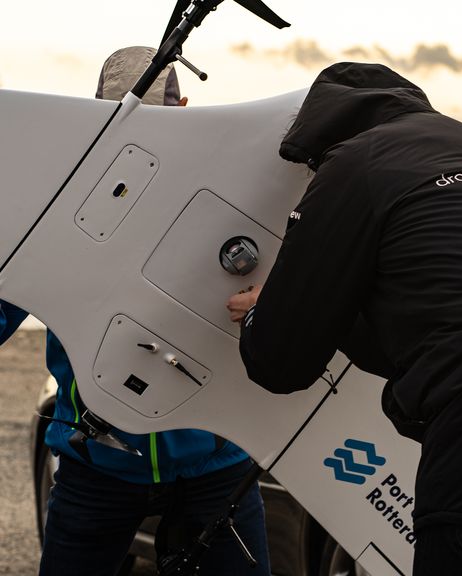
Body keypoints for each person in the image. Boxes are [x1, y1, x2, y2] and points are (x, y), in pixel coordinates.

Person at [227, 62, 462, 575]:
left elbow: (281, 362)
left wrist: (267, 308)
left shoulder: (352, 162)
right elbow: (436, 319)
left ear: (320, 132)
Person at [0, 46, 270, 576]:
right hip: (98, 463)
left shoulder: (239, 197)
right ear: (97, 116)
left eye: (158, 120)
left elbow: (308, 288)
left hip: (218, 463)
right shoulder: (53, 212)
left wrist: (276, 302)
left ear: (186, 109)